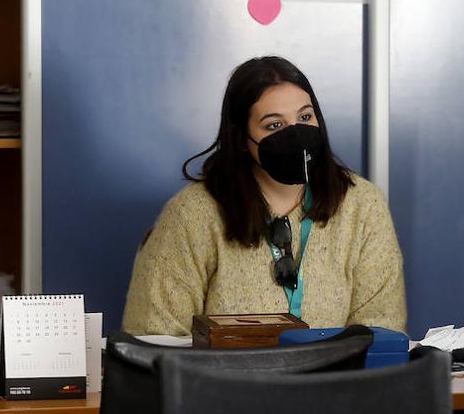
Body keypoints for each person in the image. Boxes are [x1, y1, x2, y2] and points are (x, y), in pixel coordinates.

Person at [122, 55, 406, 335]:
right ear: (243, 139)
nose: (296, 134)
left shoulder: (363, 205)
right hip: (221, 381)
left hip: (335, 382)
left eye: (305, 117)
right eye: (274, 125)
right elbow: (155, 337)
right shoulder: (191, 214)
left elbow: (381, 333)